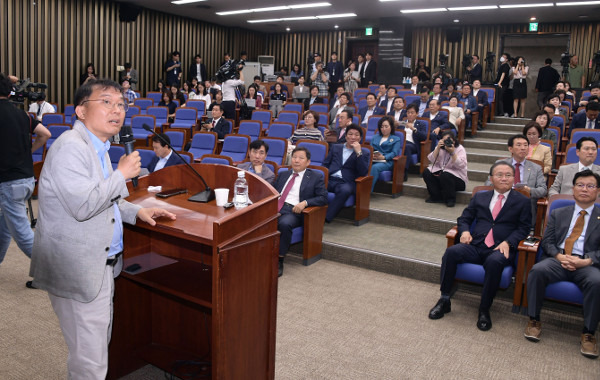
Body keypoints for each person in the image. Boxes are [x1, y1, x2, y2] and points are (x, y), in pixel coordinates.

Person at [29, 78, 176, 379]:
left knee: (92, 352)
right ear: (81, 112)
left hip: (101, 266)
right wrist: (121, 174)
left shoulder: (99, 147)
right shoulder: (71, 148)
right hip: (78, 267)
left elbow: (107, 199)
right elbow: (83, 206)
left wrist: (138, 211)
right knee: (91, 362)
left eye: (121, 104)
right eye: (106, 102)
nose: (117, 110)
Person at [428, 161, 531, 331]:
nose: (504, 178)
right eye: (499, 175)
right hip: (476, 244)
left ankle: (484, 309)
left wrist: (508, 242)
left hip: (500, 247)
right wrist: (465, 232)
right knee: (451, 252)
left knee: (494, 262)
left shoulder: (523, 201)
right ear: (491, 178)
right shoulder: (480, 196)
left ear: (514, 178)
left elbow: (524, 228)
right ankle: (445, 299)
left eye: (508, 175)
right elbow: (464, 219)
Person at [525, 169, 600, 358]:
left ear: (598, 191)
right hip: (558, 259)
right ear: (573, 189)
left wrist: (587, 260)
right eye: (580, 185)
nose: (584, 189)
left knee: (597, 282)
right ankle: (534, 320)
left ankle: (589, 333)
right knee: (537, 270)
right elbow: (547, 242)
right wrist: (559, 257)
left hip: (587, 264)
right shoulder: (559, 212)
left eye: (590, 186)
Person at [0, 73, 50, 274]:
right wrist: (28, 152)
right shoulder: (22, 115)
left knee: (21, 233)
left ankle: (50, 271)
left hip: (9, 182)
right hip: (27, 179)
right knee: (4, 225)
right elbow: (45, 134)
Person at [274, 146, 327, 276]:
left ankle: (279, 260)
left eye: (301, 158)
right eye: (294, 157)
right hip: (275, 207)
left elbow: (323, 197)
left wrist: (305, 203)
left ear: (308, 162)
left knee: (284, 224)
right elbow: (272, 192)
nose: (296, 160)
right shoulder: (283, 174)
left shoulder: (315, 176)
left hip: (294, 211)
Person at [486, 134, 547, 231]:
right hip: (502, 202)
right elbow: (488, 184)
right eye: (518, 145)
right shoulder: (500, 164)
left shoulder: (536, 168)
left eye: (525, 145)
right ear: (510, 149)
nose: (523, 148)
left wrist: (528, 190)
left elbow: (543, 190)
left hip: (525, 206)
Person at [323, 124, 370, 223]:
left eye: (356, 135)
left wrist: (358, 153)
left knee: (345, 190)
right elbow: (325, 164)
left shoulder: (364, 153)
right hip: (330, 178)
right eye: (350, 134)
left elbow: (363, 172)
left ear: (360, 138)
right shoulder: (336, 147)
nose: (353, 137)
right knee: (312, 185)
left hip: (346, 182)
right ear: (346, 136)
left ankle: (326, 218)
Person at [422, 131, 468, 207]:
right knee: (427, 172)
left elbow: (461, 165)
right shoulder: (441, 148)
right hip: (443, 176)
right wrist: (437, 148)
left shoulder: (460, 149)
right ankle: (436, 197)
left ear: (453, 140)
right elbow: (431, 159)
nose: (447, 142)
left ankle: (450, 199)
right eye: (444, 140)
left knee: (445, 175)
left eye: (449, 140)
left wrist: (452, 153)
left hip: (458, 179)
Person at [370, 116, 401, 191]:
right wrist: (372, 155)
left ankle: (366, 192)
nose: (384, 129)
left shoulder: (396, 139)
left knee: (375, 167)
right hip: (374, 159)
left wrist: (384, 157)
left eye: (386, 126)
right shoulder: (375, 137)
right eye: (382, 127)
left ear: (391, 127)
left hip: (387, 161)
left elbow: (394, 153)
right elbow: (370, 149)